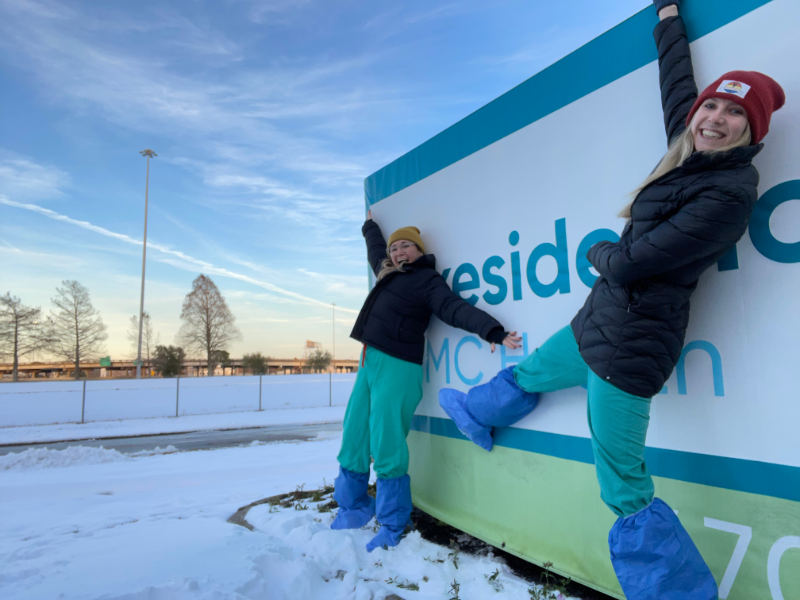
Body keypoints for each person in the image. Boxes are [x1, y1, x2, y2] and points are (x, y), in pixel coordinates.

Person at [439, 1, 785, 597]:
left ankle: (676, 592)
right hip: (595, 323)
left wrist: (596, 252)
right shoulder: (689, 146)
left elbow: (628, 265)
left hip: (629, 349)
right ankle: (475, 415)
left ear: (750, 132)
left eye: (735, 114)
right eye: (714, 105)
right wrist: (669, 19)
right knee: (528, 375)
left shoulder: (728, 192)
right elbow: (677, 84)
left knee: (622, 485)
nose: (715, 118)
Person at [332, 210, 523, 552]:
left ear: (419, 251)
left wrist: (490, 329)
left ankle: (393, 524)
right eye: (395, 249)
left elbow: (452, 308)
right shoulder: (387, 271)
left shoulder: (426, 280)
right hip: (368, 361)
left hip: (398, 366)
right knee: (354, 432)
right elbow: (375, 249)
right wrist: (369, 225)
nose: (397, 252)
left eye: (405, 246)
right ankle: (353, 505)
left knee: (386, 441)